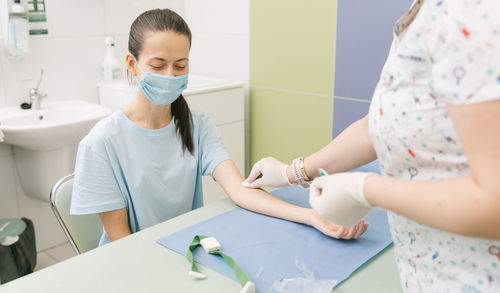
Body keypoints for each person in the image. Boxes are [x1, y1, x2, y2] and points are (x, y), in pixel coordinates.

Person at [243, 0, 500, 291]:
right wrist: (293, 173)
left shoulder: (471, 12)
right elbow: (381, 124)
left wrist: (365, 190)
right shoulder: (422, 16)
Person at [69, 8, 368, 246]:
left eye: (180, 65)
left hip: (182, 249)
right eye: (158, 66)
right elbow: (122, 244)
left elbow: (241, 191)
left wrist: (312, 217)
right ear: (132, 65)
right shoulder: (101, 143)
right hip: (132, 263)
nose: (171, 75)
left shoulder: (197, 125)